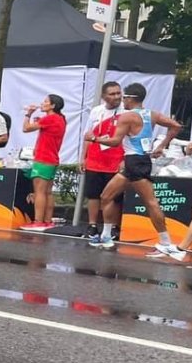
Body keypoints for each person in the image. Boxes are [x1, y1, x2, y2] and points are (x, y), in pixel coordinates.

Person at [87, 82, 183, 256]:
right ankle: (106, 236)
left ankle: (166, 243)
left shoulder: (127, 117)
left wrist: (94, 139)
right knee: (106, 196)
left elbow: (115, 141)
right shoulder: (152, 115)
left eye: (124, 97)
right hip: (135, 162)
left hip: (135, 163)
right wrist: (161, 145)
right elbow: (175, 126)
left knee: (150, 202)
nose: (122, 100)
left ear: (131, 98)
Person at [83, 82, 125, 239]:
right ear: (103, 96)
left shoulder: (126, 112)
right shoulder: (96, 111)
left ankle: (114, 227)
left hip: (116, 160)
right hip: (95, 159)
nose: (116, 97)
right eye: (112, 94)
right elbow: (88, 135)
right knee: (93, 194)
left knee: (114, 196)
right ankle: (92, 225)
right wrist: (83, 157)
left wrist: (124, 160)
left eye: (118, 93)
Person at [19, 94, 67, 231]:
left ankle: (38, 221)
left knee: (39, 191)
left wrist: (28, 114)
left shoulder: (50, 118)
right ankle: (47, 221)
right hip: (52, 158)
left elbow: (26, 128)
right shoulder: (60, 119)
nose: (42, 103)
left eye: (46, 101)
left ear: (53, 105)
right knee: (48, 192)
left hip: (43, 159)